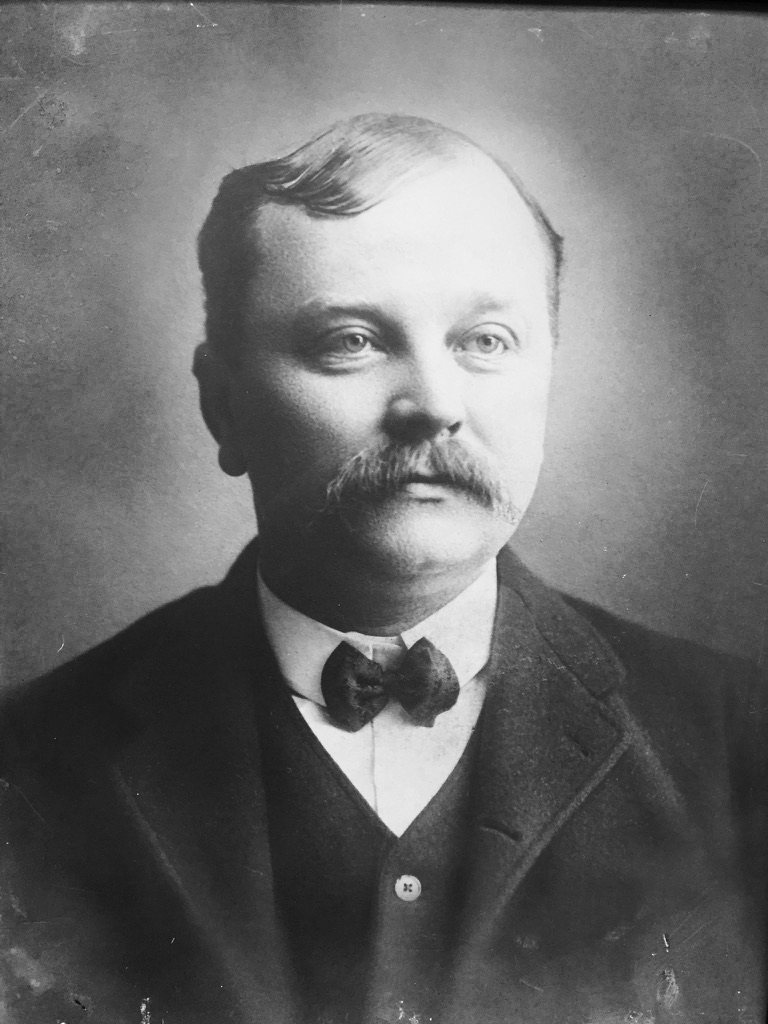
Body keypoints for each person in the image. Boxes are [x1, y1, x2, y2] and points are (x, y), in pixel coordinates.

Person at [0, 113, 765, 1024]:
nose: (434, 405)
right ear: (223, 405)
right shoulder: (33, 764)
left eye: (485, 340)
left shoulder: (733, 743)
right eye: (352, 341)